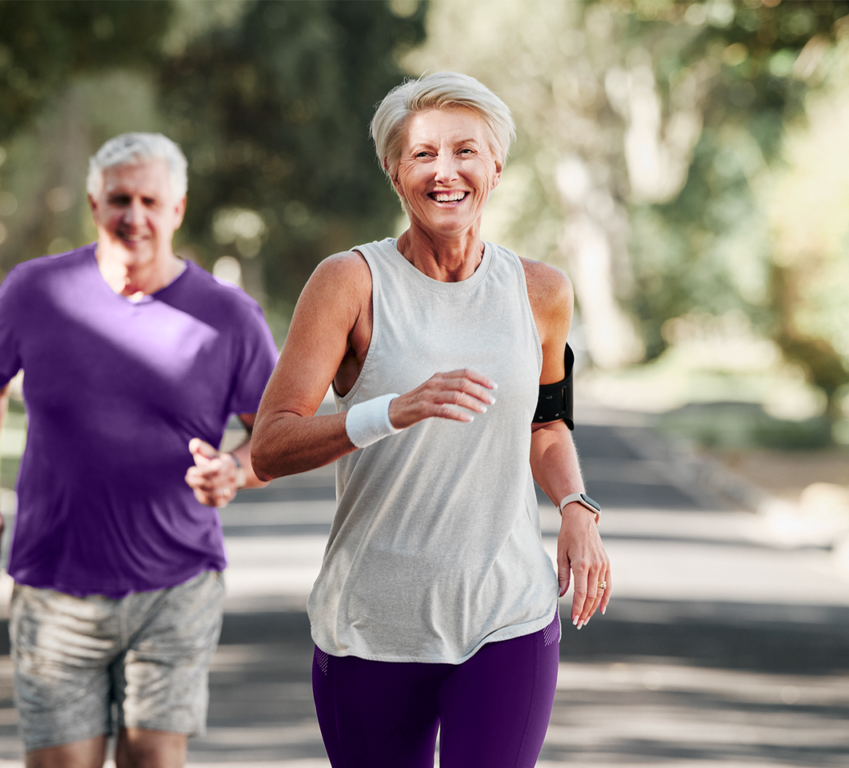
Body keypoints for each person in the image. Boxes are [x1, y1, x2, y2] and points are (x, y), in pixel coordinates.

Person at [250, 72, 611, 768]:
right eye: (422, 155)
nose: (445, 172)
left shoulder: (541, 291)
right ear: (393, 171)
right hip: (371, 623)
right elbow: (269, 446)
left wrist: (575, 504)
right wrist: (391, 411)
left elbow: (547, 424)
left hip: (507, 614)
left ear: (496, 167)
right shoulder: (349, 283)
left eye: (465, 151)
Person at [0, 132, 277, 768]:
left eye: (151, 201)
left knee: (154, 759)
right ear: (95, 205)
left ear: (177, 209)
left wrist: (235, 470)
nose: (136, 216)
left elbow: (278, 431)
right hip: (55, 583)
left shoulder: (229, 317)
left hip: (177, 581)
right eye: (120, 199)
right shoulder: (35, 291)